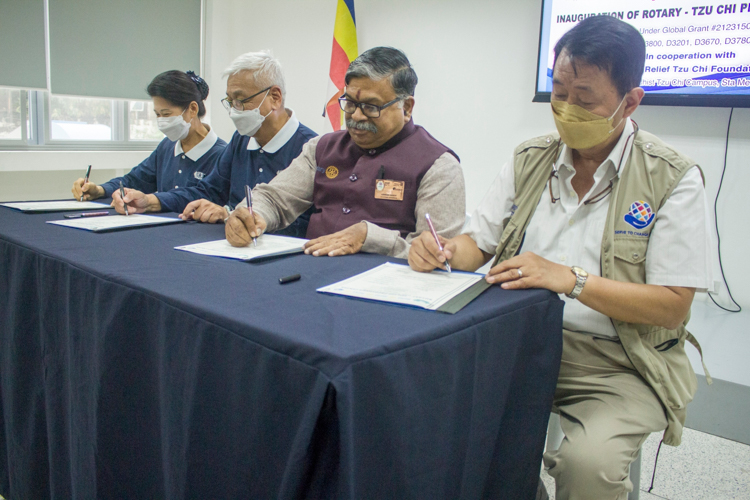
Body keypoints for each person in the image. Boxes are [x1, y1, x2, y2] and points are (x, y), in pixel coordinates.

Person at [408, 16, 712, 500]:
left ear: (630, 101)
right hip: (518, 342)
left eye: (586, 98)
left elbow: (673, 304)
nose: (567, 109)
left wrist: (570, 279)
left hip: (619, 365)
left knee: (586, 466)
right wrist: (443, 251)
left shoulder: (670, 178)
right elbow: (476, 247)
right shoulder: (530, 159)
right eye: (558, 92)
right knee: (433, 418)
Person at [225, 47, 465, 258]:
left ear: (407, 107)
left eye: (371, 107)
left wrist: (370, 238)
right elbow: (275, 198)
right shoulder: (322, 148)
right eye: (350, 104)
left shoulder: (438, 165)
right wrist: (251, 215)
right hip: (309, 274)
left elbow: (437, 256)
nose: (357, 117)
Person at [113, 52, 316, 236]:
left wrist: (229, 214)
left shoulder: (310, 149)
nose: (233, 111)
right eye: (230, 101)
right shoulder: (241, 139)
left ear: (275, 97)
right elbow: (208, 190)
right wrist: (150, 201)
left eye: (241, 100)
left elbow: (310, 223)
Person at [72, 70, 226, 203]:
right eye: (157, 115)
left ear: (192, 109)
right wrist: (99, 190)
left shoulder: (222, 155)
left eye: (166, 114)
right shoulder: (167, 147)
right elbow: (134, 181)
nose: (161, 121)